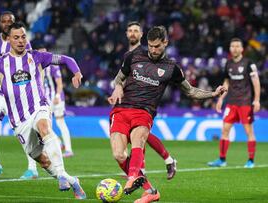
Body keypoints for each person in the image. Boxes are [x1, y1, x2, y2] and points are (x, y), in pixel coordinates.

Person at [108, 26, 226, 203]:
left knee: (139, 138)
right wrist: (117, 88)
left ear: (165, 43)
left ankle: (132, 178)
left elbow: (191, 91)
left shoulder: (171, 68)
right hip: (122, 109)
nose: (153, 50)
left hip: (144, 112)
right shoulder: (133, 56)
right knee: (119, 154)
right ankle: (151, 191)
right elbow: (119, 78)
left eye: (157, 46)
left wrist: (213, 94)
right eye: (150, 46)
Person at [0, 22, 86, 199]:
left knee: (45, 128)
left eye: (23, 37)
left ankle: (62, 174)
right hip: (19, 121)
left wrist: (76, 72)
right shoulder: (0, 64)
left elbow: (66, 60)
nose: (21, 40)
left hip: (39, 107)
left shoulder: (37, 57)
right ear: (9, 40)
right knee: (43, 161)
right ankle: (72, 180)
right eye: (16, 37)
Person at [0, 11, 38, 179]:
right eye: (3, 21)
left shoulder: (22, 41)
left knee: (24, 128)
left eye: (9, 21)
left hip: (17, 89)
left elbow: (30, 63)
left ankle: (32, 168)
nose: (6, 24)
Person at [123, 21, 177, 180]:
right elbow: (124, 77)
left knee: (137, 135)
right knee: (138, 135)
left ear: (141, 35)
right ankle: (167, 160)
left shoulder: (144, 54)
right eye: (130, 30)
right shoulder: (129, 55)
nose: (133, 33)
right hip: (128, 99)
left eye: (136, 31)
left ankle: (141, 170)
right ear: (126, 34)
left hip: (144, 103)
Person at [208, 38, 260, 168]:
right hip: (231, 102)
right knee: (225, 130)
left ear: (242, 49)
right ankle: (222, 159)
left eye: (237, 46)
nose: (235, 48)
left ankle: (251, 160)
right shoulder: (228, 64)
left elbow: (256, 82)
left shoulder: (249, 63)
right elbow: (227, 83)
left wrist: (257, 100)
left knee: (249, 131)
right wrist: (220, 98)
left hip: (245, 103)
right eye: (232, 46)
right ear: (230, 48)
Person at [38, 46, 74, 158]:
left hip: (56, 98)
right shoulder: (35, 65)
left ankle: (68, 149)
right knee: (46, 125)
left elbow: (59, 83)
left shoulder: (52, 65)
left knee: (59, 122)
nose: (43, 54)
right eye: (40, 52)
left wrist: (57, 95)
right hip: (46, 99)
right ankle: (58, 143)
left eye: (45, 52)